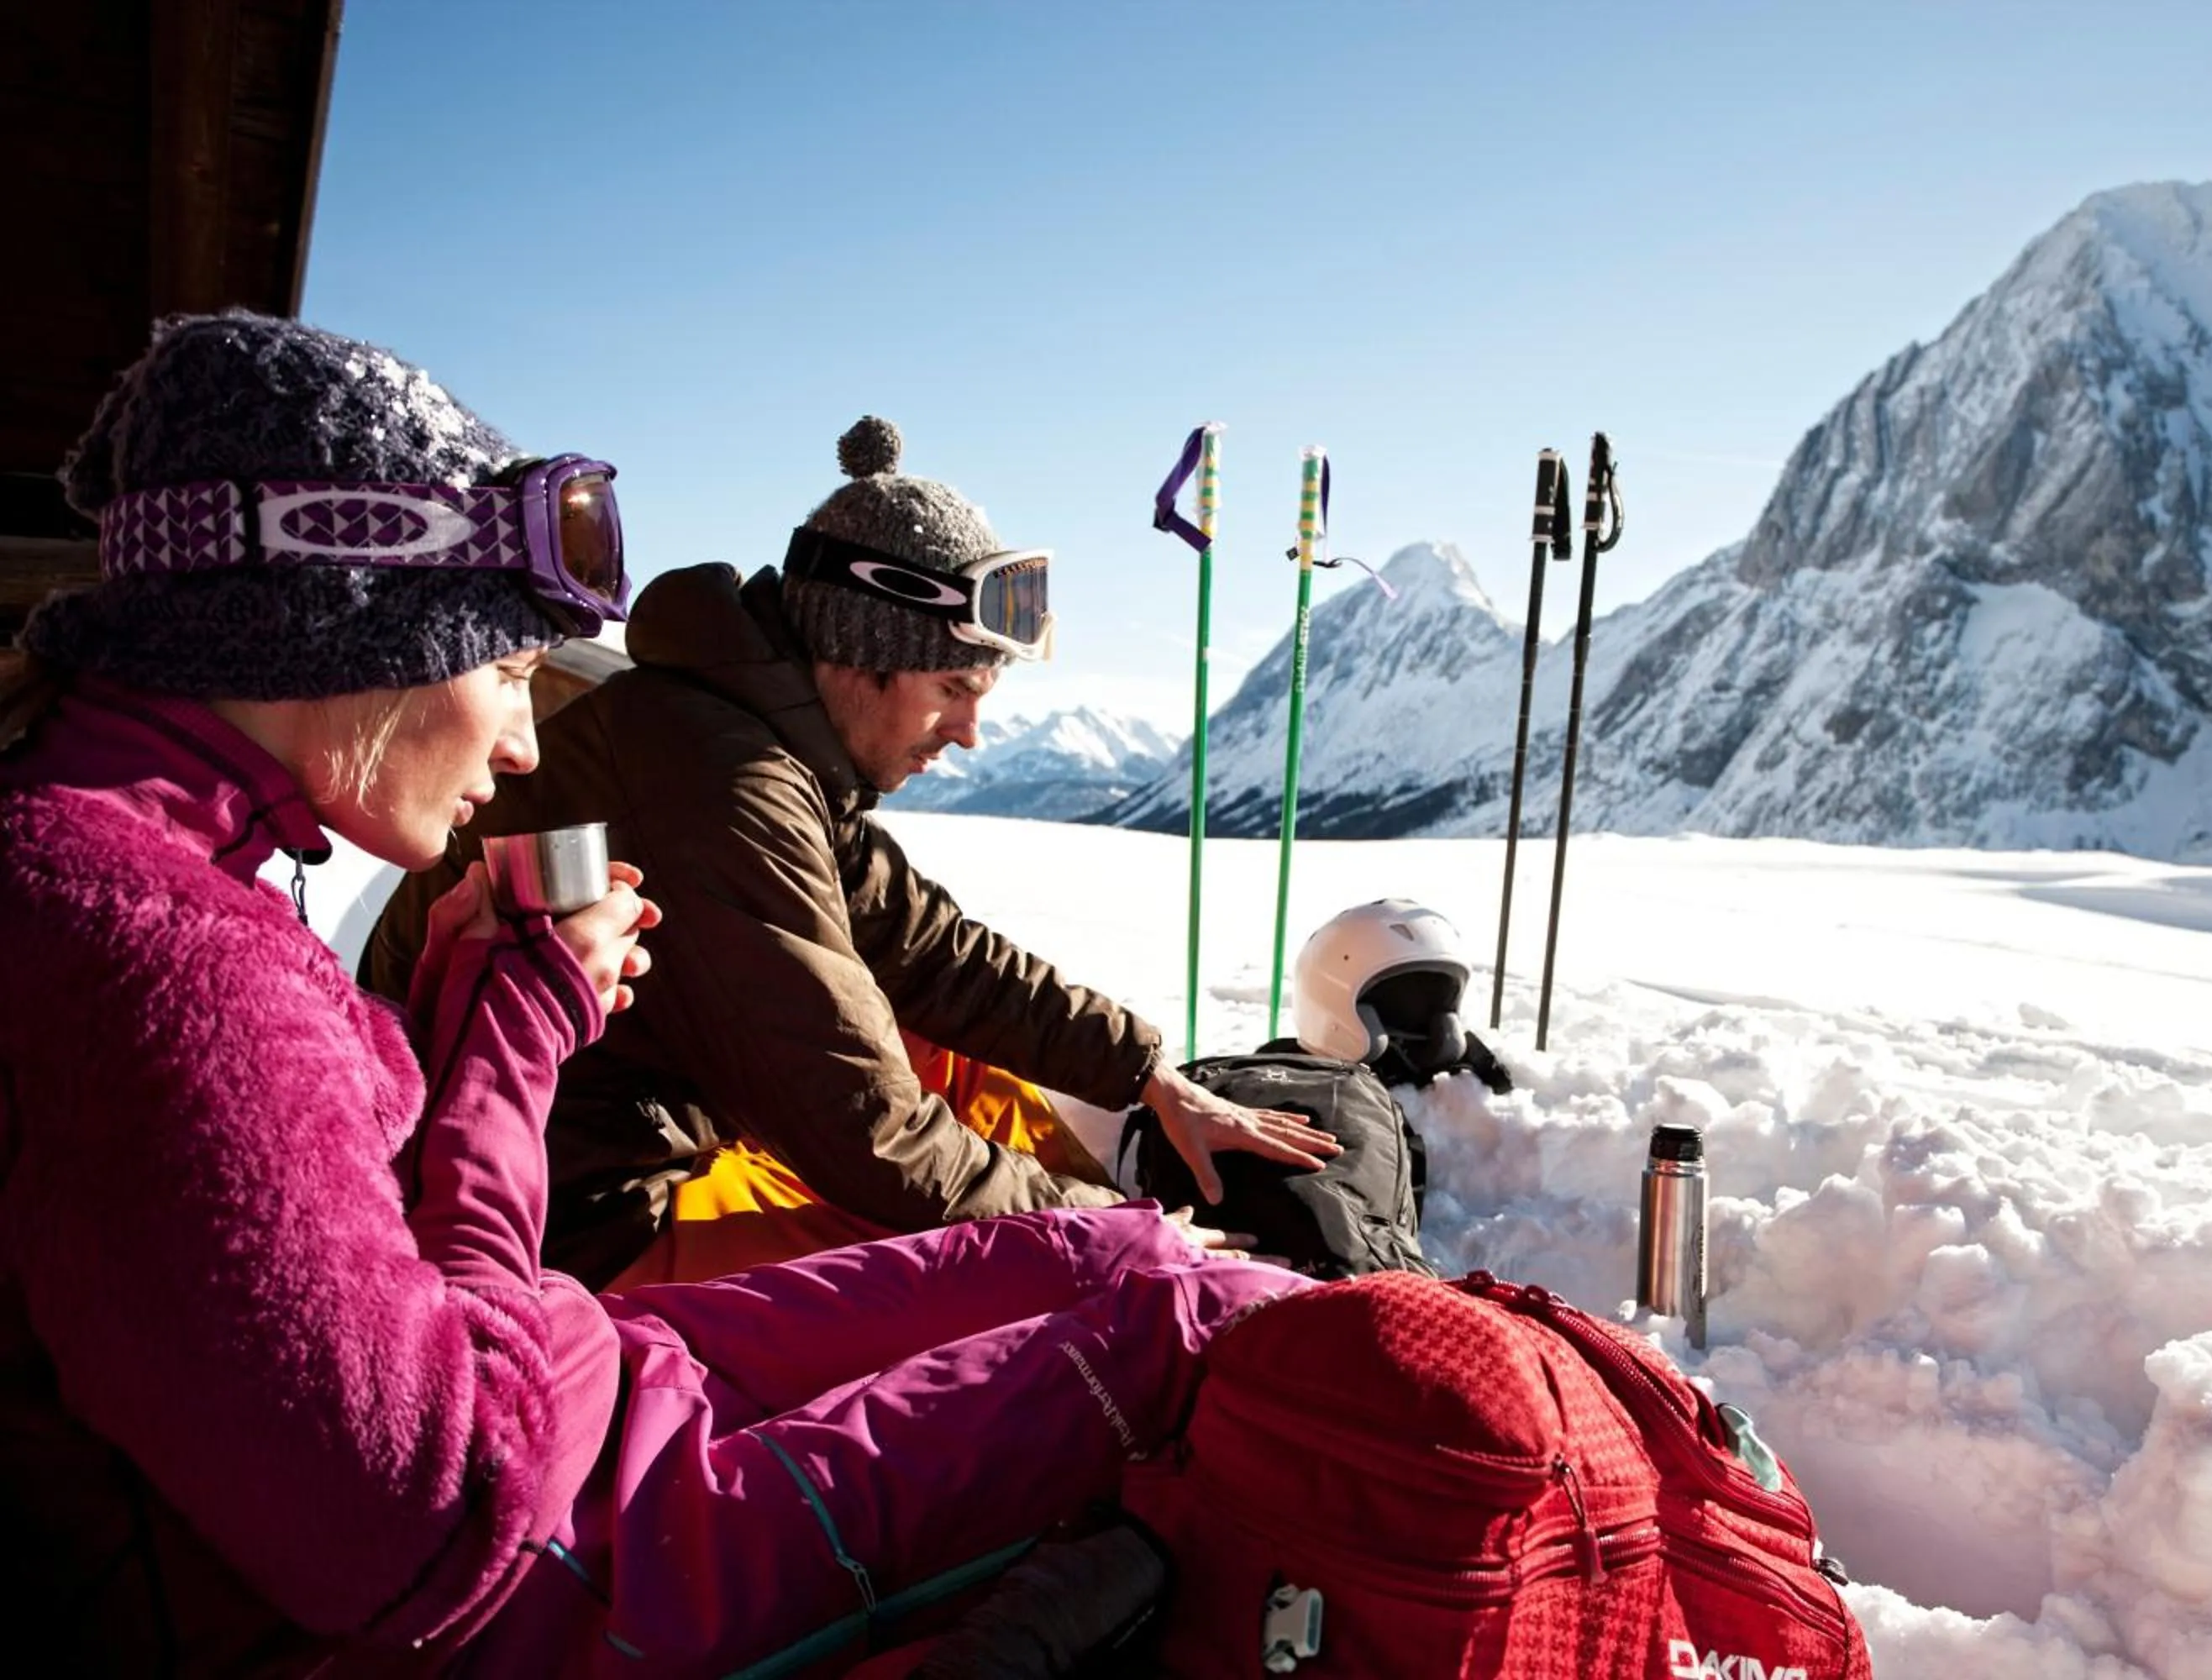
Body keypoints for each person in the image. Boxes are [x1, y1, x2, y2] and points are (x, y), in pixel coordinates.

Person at [0, 312, 1302, 1673]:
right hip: (556, 1402)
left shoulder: (138, 872)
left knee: (1118, 1261)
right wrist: (509, 1038)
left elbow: (924, 943)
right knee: (1165, 1334)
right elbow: (437, 1519)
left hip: (551, 1354)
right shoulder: (174, 967)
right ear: (342, 632)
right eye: (511, 670)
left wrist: (1142, 1070)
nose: (522, 744)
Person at [364, 415, 1339, 1288]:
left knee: (951, 1057)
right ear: (861, 651)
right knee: (991, 1287)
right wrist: (1107, 1234)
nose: (969, 732)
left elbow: (932, 949)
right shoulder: (726, 780)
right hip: (578, 1219)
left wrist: (1147, 1070)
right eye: (953, 688)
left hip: (641, 1133)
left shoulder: (755, 735)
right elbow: (862, 1127)